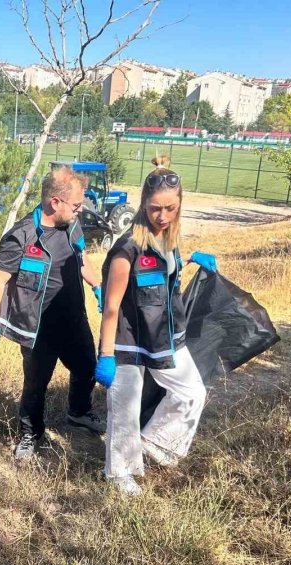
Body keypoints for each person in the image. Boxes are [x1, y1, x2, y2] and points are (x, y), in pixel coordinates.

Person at [94, 168, 217, 495]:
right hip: (129, 341)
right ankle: (118, 473)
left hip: (164, 337)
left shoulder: (168, 238)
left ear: (179, 204)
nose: (162, 216)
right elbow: (111, 307)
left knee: (192, 393)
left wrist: (189, 259)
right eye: (155, 209)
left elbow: (163, 278)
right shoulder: (127, 249)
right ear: (143, 204)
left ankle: (154, 444)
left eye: (170, 208)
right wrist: (106, 355)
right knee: (125, 408)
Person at [0, 165, 106, 460]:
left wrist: (97, 286)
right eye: (75, 205)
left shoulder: (72, 225)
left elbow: (82, 259)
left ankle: (79, 412)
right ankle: (30, 432)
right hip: (37, 327)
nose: (79, 211)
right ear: (55, 203)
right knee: (36, 384)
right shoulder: (21, 237)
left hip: (73, 317)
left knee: (87, 367)